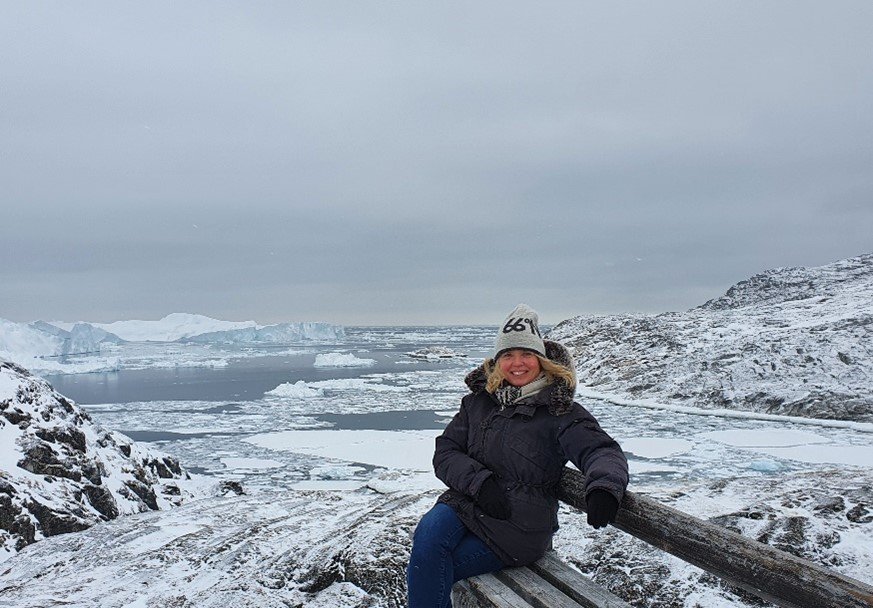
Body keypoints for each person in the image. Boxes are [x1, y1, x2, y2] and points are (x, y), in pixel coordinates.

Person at [406, 304, 628, 608]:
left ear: (541, 360)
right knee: (427, 539)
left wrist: (604, 487)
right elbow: (446, 451)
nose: (517, 363)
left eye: (527, 354)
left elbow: (600, 450)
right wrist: (480, 483)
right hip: (467, 502)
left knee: (431, 568)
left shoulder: (560, 411)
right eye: (508, 355)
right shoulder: (478, 403)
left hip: (517, 526)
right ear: (498, 361)